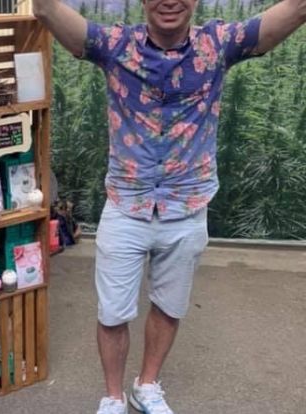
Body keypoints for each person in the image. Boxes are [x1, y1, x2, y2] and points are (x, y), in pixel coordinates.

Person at [33, 0, 305, 413]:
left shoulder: (218, 45)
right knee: (112, 312)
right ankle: (113, 397)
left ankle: (146, 385)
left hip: (187, 206)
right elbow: (46, 10)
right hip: (127, 205)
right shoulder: (115, 46)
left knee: (169, 305)